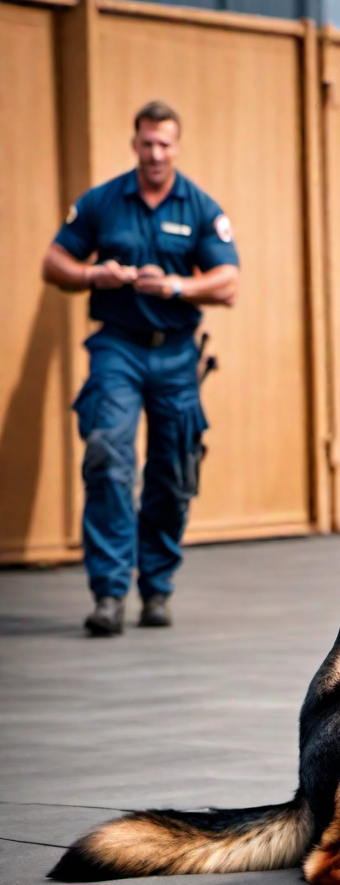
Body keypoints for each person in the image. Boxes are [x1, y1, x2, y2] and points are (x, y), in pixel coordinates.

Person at [42, 100, 240, 636]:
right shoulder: (103, 202)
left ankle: (156, 587)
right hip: (117, 349)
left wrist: (177, 286)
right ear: (135, 145)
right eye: (147, 143)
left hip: (176, 352)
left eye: (164, 144)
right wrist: (92, 276)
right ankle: (108, 593)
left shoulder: (198, 207)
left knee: (173, 472)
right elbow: (54, 262)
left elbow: (227, 282)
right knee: (108, 456)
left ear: (176, 147)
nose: (155, 153)